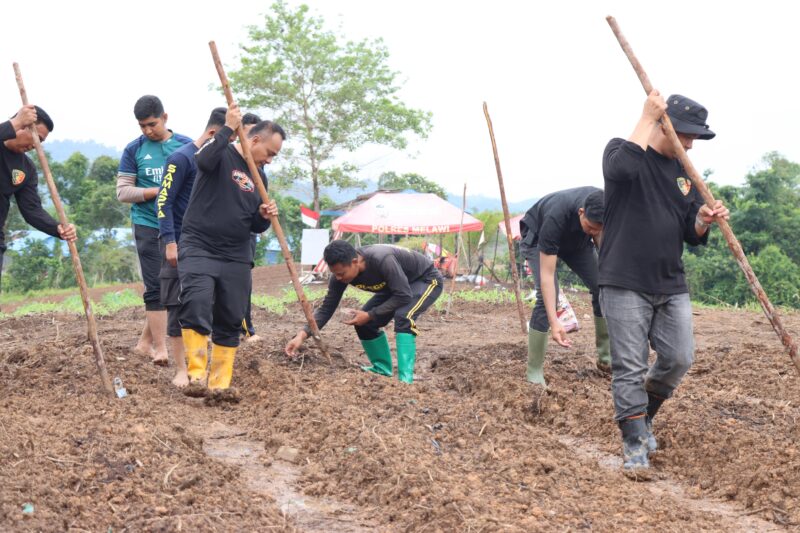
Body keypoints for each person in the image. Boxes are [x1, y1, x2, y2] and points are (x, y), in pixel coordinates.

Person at [600, 91, 729, 470]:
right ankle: (634, 441)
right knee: (630, 365)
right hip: (624, 279)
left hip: (669, 282)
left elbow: (690, 232)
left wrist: (703, 220)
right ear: (663, 125)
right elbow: (619, 171)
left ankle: (644, 416)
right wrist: (645, 116)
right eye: (684, 135)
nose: (689, 144)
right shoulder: (623, 153)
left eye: (693, 138)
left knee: (679, 357)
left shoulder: (685, 174)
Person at [178, 104, 281, 397]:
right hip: (199, 245)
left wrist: (263, 215)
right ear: (255, 140)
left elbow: (254, 226)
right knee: (196, 301)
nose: (270, 160)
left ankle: (219, 384)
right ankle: (196, 376)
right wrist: (227, 127)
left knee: (231, 316)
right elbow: (202, 161)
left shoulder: (260, 177)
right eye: (270, 153)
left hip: (236, 254)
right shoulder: (220, 152)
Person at [285, 240, 444, 384]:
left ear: (355, 262)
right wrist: (301, 335)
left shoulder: (382, 260)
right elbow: (327, 309)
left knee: (403, 316)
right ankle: (382, 368)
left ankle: (405, 379)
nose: (338, 278)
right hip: (394, 287)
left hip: (425, 279)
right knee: (363, 323)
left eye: (341, 273)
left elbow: (403, 295)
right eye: (335, 274)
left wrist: (370, 314)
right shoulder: (339, 276)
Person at [117, 95, 191, 365]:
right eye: (142, 126)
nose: (148, 130)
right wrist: (158, 192)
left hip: (179, 226)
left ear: (165, 117)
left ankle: (144, 342)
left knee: (174, 284)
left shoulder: (186, 146)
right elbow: (123, 192)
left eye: (152, 124)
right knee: (155, 286)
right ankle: (160, 349)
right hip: (147, 223)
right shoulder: (134, 150)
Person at [157, 107, 227, 387]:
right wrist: (171, 242)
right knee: (176, 304)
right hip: (181, 243)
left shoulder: (220, 164)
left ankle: (206, 365)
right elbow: (164, 202)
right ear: (213, 134)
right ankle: (180, 368)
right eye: (226, 140)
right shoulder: (181, 158)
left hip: (209, 246)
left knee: (206, 304)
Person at [518, 187, 607, 387]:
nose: (594, 233)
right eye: (591, 227)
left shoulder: (604, 207)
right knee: (548, 296)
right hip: (538, 239)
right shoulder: (555, 217)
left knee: (603, 285)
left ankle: (606, 357)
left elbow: (602, 244)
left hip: (576, 243)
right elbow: (547, 276)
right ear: (581, 213)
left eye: (598, 229)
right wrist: (555, 321)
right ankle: (534, 371)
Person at [0, 105, 76, 290]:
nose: (35, 145)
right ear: (23, 126)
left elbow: (32, 210)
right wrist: (16, 121)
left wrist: (58, 228)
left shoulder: (27, 169)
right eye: (36, 138)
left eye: (40, 142)